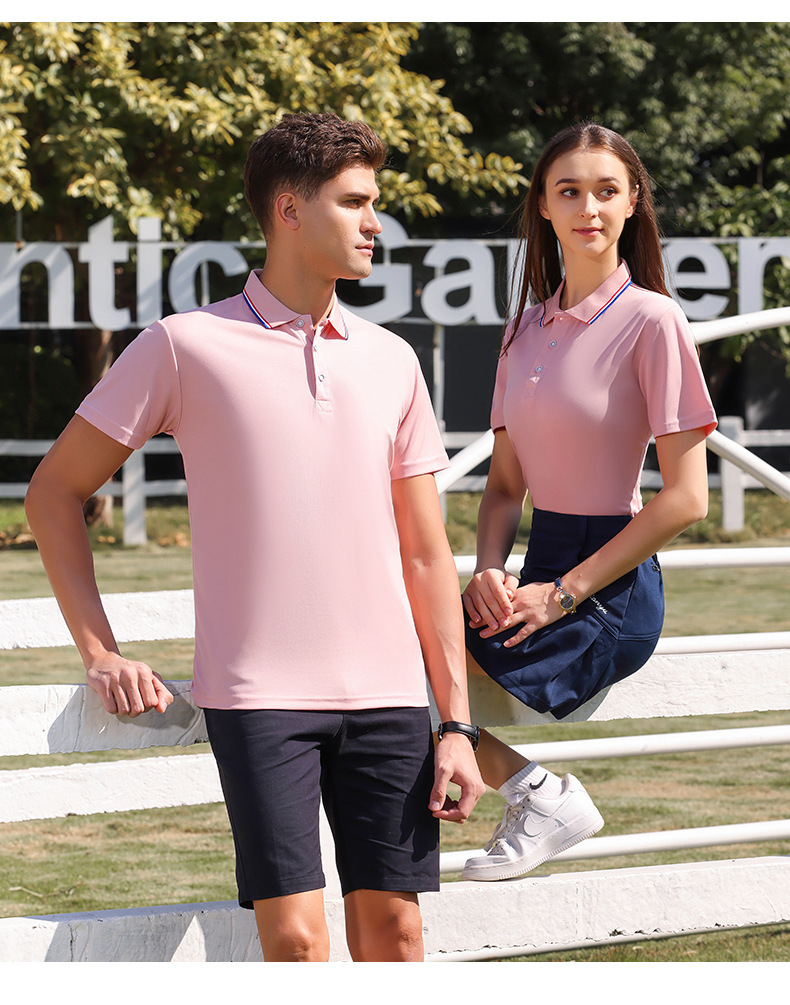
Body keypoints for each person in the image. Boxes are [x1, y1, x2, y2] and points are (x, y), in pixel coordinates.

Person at [25, 112, 484, 962]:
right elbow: (54, 491)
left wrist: (454, 722)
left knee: (397, 934)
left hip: (389, 696)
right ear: (289, 209)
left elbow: (425, 554)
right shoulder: (183, 345)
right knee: (297, 944)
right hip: (259, 695)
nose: (376, 223)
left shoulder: (391, 360)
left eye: (374, 202)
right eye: (355, 202)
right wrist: (100, 650)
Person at [459, 123, 717, 882]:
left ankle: (535, 795)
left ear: (633, 202)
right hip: (536, 573)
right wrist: (487, 569)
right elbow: (504, 488)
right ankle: (536, 795)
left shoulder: (654, 321)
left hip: (608, 591)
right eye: (569, 191)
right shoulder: (521, 331)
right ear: (543, 205)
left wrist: (563, 593)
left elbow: (688, 499)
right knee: (384, 661)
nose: (589, 208)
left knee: (399, 675)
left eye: (607, 191)